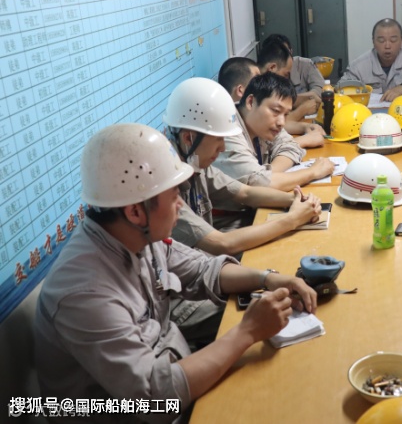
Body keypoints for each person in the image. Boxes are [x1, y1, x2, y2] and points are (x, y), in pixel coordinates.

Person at [34, 122, 317, 423]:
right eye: (173, 195)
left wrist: (267, 278)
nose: (180, 204)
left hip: (174, 375)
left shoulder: (135, 236)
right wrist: (247, 332)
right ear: (135, 211)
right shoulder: (86, 294)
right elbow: (156, 399)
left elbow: (202, 268)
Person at [163, 77, 321, 347]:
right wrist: (292, 219)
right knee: (270, 309)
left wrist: (294, 200)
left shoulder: (193, 160)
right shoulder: (167, 187)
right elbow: (221, 243)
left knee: (277, 286)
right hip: (179, 300)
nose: (223, 148)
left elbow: (244, 192)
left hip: (203, 273)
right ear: (189, 137)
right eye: (218, 140)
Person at [214, 72, 335, 191]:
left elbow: (290, 146)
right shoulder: (227, 131)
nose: (281, 122)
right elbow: (260, 185)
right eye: (276, 111)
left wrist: (267, 175)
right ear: (251, 102)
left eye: (286, 114)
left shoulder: (261, 124)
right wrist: (313, 172)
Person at [219, 56, 325, 149]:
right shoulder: (228, 128)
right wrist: (304, 140)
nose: (261, 83)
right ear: (242, 92)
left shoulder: (254, 117)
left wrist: (304, 127)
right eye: (256, 79)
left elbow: (280, 134)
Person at [340, 18, 402, 102]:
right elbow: (341, 91)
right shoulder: (358, 66)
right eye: (381, 41)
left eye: (393, 40)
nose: (387, 46)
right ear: (373, 42)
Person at [255, 41, 326, 146]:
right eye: (286, 74)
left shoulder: (263, 86)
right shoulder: (255, 90)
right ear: (272, 68)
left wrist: (305, 127)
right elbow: (275, 128)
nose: (287, 80)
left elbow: (278, 128)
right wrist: (305, 140)